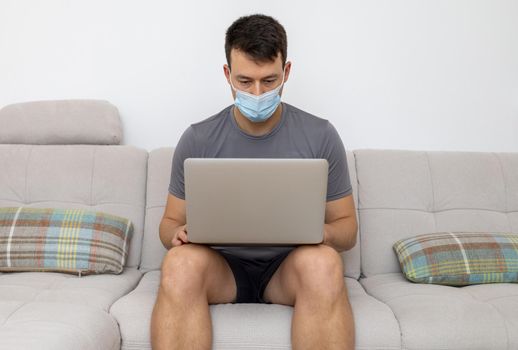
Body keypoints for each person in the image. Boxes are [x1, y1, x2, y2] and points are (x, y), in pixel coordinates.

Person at [150, 13, 358, 350]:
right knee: (179, 262)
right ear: (227, 74)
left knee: (324, 261)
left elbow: (348, 229)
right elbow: (169, 223)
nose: (257, 93)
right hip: (221, 270)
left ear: (287, 72)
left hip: (288, 270)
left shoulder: (320, 136)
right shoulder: (198, 139)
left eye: (269, 80)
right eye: (245, 82)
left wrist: (324, 233)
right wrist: (176, 233)